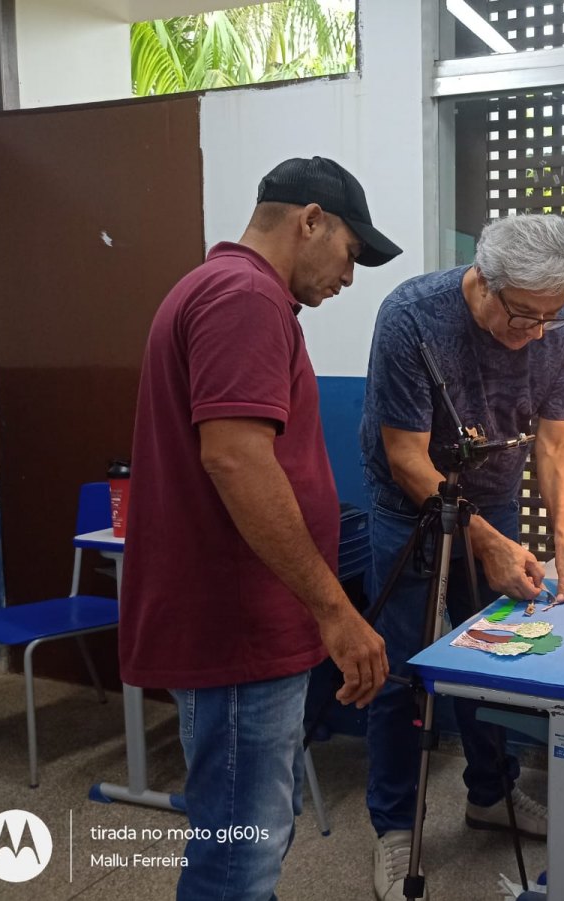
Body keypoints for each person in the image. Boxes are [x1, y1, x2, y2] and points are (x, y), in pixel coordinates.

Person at [120, 156, 400, 901]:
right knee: (238, 855)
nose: (350, 275)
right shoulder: (244, 296)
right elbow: (237, 462)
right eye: (351, 252)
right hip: (237, 626)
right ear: (311, 220)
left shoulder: (229, 291)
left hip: (240, 620)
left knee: (245, 831)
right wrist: (335, 610)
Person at [359, 213, 564, 900]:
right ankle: (394, 822)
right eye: (524, 316)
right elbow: (405, 455)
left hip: (493, 499)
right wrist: (487, 541)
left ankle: (491, 792)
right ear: (485, 284)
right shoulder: (412, 316)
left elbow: (556, 441)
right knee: (402, 663)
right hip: (407, 504)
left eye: (551, 318)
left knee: (498, 649)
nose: (535, 333)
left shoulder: (560, 326)